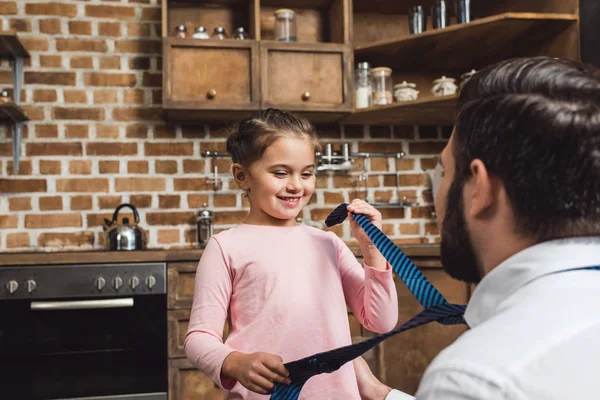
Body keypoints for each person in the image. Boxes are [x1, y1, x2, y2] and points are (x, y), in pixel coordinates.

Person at [358, 56, 600, 400]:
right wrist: (384, 395)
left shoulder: (475, 377)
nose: (440, 192)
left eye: (445, 172)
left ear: (480, 188)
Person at [184, 108, 399, 399]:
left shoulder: (328, 245)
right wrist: (235, 363)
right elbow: (199, 337)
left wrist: (372, 248)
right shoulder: (225, 248)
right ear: (242, 176)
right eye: (281, 173)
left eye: (307, 173)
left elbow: (380, 321)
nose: (296, 185)